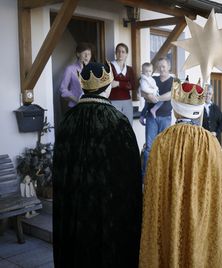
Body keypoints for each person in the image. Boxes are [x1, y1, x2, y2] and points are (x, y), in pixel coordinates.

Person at [53, 62, 142, 267]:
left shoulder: (68, 120)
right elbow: (130, 176)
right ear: (108, 86)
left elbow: (60, 169)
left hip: (75, 212)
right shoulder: (118, 121)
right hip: (107, 216)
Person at [139, 80, 222, 267]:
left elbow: (152, 186)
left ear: (175, 109)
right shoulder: (211, 143)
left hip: (170, 217)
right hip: (201, 221)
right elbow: (221, 187)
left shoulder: (162, 141)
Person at [141, 57, 174, 173]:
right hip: (151, 118)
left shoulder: (174, 81)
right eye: (159, 66)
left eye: (164, 66)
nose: (161, 69)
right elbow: (142, 92)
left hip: (166, 118)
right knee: (149, 148)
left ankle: (162, 174)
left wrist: (156, 98)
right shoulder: (152, 79)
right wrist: (143, 113)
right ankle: (146, 176)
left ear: (169, 67)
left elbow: (171, 95)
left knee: (164, 146)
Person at [59, 42, 92, 109]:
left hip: (90, 107)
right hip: (75, 106)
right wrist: (77, 100)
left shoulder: (93, 69)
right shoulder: (70, 69)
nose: (87, 56)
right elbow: (63, 89)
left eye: (89, 54)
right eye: (84, 53)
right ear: (78, 54)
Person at [109, 43, 135, 125]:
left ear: (126, 54)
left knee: (128, 125)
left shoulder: (129, 69)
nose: (120, 54)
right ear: (115, 53)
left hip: (127, 101)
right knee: (114, 126)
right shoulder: (109, 66)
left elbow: (133, 85)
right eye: (118, 51)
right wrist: (126, 84)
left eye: (123, 52)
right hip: (113, 101)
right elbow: (109, 84)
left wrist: (118, 83)